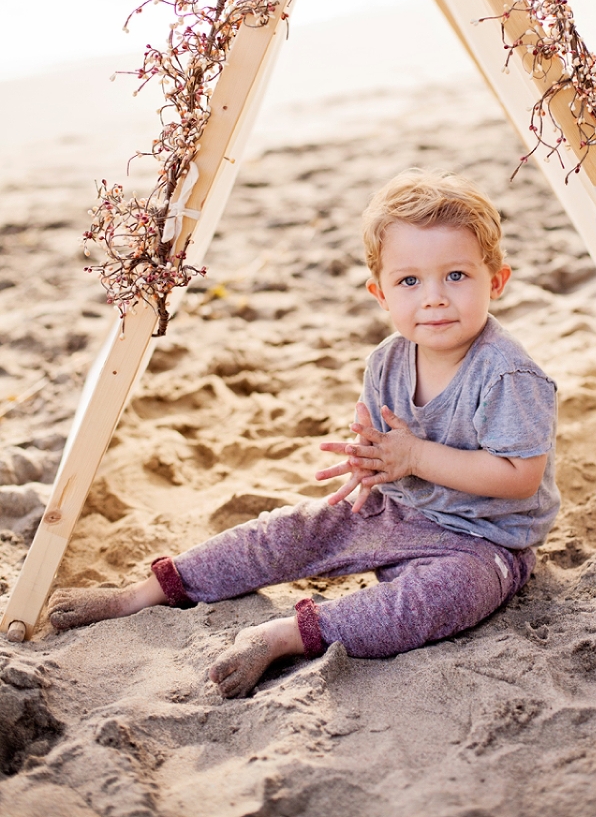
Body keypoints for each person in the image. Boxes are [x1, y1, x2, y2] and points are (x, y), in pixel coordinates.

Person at [48, 169, 559, 697]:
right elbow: (383, 445)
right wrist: (371, 459)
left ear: (495, 281)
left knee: (443, 599)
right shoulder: (388, 359)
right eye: (409, 281)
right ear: (380, 293)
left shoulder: (507, 375)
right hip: (398, 510)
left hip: (483, 542)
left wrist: (415, 456)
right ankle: (147, 591)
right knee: (292, 529)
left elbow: (520, 477)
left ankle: (288, 634)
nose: (433, 298)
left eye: (456, 276)